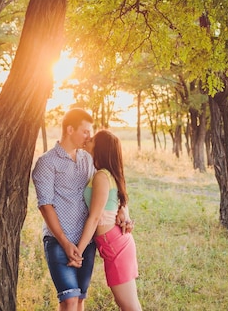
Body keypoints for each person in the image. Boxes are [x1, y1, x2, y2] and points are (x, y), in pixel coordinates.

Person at [32, 108, 97, 311]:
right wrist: (66, 243)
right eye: (85, 131)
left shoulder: (88, 159)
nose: (89, 136)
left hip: (86, 241)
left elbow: (103, 189)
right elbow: (45, 205)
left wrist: (122, 211)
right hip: (59, 241)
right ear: (70, 129)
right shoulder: (47, 162)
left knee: (79, 300)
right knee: (68, 300)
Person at [74, 129, 142, 311]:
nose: (89, 138)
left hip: (114, 245)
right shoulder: (103, 174)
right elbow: (116, 202)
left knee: (129, 306)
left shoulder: (102, 176)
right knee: (130, 305)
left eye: (94, 138)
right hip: (114, 243)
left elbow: (95, 217)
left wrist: (77, 252)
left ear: (100, 147)